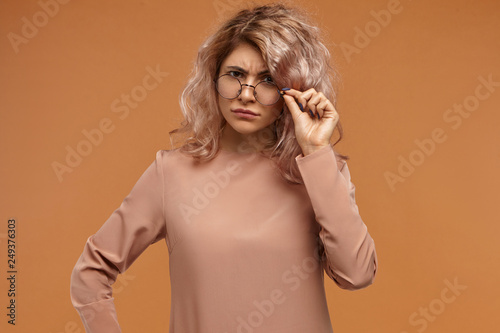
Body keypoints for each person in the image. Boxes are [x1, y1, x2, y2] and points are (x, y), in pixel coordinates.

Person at [70, 3, 378, 332]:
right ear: (213, 76)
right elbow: (92, 271)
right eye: (235, 75)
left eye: (268, 80)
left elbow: (356, 275)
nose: (246, 94)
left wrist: (316, 150)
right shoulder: (171, 173)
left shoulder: (318, 172)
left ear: (295, 91)